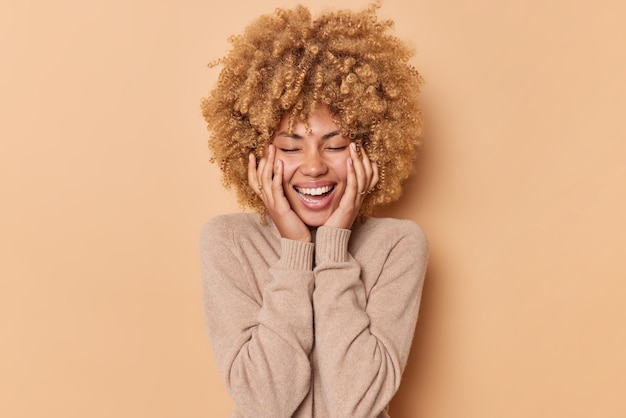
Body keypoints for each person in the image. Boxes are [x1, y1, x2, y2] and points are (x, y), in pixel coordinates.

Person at [199, 3, 428, 417]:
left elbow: (355, 404)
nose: (314, 165)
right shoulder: (229, 242)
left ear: (371, 147)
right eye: (290, 147)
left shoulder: (398, 245)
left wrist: (334, 247)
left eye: (336, 145)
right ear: (254, 152)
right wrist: (295, 252)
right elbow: (263, 404)